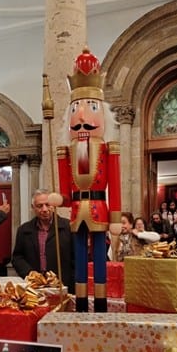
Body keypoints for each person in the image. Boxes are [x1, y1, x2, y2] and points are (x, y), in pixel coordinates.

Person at [56, 47, 121, 312]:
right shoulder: (66, 152)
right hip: (76, 210)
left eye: (91, 107)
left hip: (98, 208)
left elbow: (114, 185)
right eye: (76, 109)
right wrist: (56, 197)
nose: (82, 116)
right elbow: (64, 191)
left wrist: (116, 218)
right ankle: (81, 302)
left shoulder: (108, 149)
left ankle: (102, 303)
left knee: (99, 258)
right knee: (79, 257)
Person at [11, 189, 75, 293]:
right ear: (33, 208)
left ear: (53, 206)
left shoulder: (68, 227)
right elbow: (17, 257)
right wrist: (29, 273)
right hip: (34, 287)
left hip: (63, 286)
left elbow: (76, 258)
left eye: (47, 204)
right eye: (39, 206)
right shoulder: (24, 230)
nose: (44, 209)